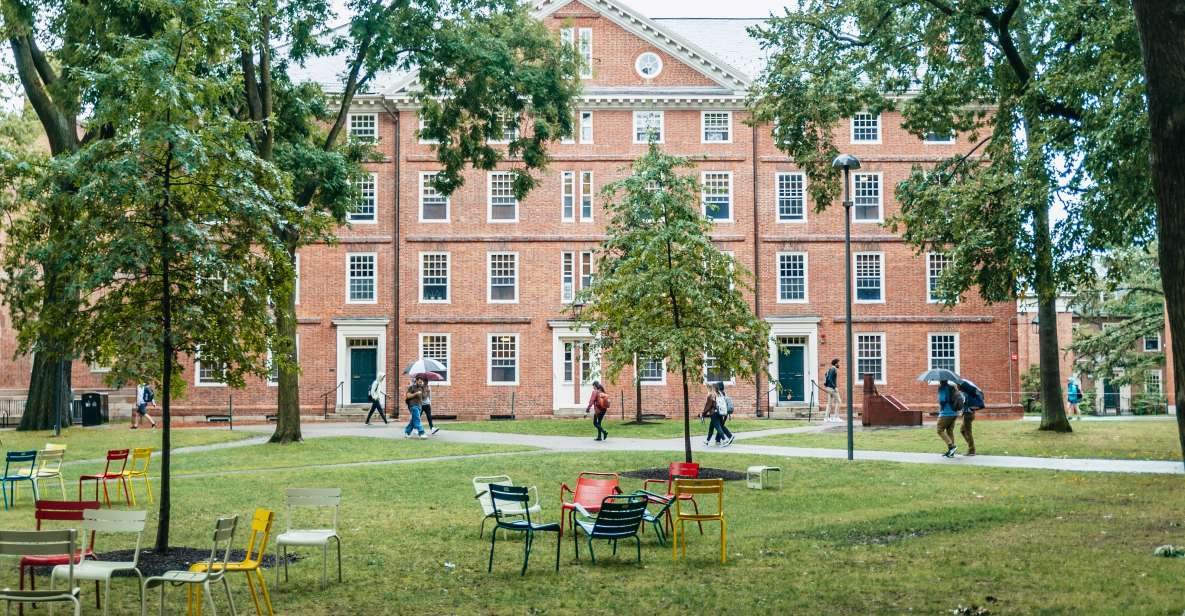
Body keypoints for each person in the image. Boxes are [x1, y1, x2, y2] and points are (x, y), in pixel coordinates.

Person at [957, 378, 986, 456]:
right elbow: (964, 404)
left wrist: (970, 408)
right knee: (962, 431)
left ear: (961, 386)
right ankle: (971, 447)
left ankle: (972, 450)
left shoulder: (969, 394)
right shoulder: (964, 393)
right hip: (966, 414)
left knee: (968, 432)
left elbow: (982, 405)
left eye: (957, 385)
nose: (956, 386)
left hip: (968, 415)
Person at [702, 382, 734, 447]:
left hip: (713, 414)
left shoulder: (711, 395)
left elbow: (708, 406)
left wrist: (703, 414)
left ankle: (725, 439)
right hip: (719, 412)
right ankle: (707, 441)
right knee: (712, 427)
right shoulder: (719, 394)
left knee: (718, 427)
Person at [936, 379, 959, 457]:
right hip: (954, 413)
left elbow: (942, 400)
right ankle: (951, 452)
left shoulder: (942, 388)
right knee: (949, 431)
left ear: (941, 381)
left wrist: (939, 397)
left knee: (939, 430)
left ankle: (951, 446)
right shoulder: (952, 387)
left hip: (946, 413)